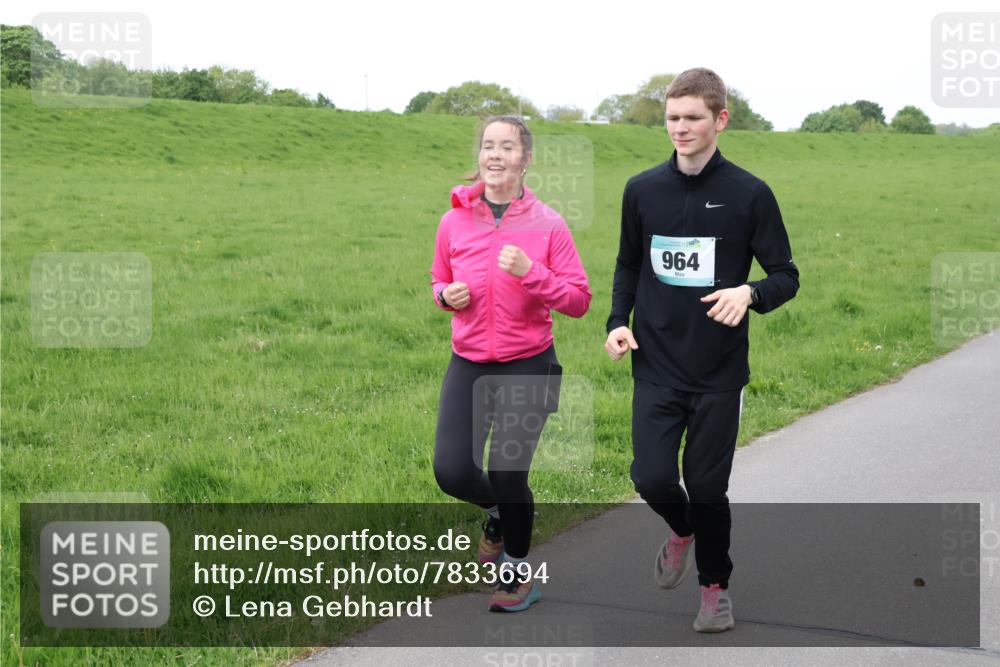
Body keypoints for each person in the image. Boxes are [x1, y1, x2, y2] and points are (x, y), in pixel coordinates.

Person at [604, 68, 799, 633]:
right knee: (651, 478)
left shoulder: (749, 194)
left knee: (709, 487)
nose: (680, 128)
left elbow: (786, 276)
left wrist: (749, 292)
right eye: (672, 117)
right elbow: (628, 264)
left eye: (693, 117)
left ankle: (714, 589)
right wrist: (617, 322)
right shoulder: (642, 190)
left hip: (717, 371)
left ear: (721, 119)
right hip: (656, 364)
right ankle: (681, 528)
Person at [431, 115, 591, 612]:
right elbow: (438, 279)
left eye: (507, 146)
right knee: (452, 472)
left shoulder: (549, 224)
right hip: (469, 363)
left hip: (529, 363)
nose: (495, 154)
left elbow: (578, 300)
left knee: (506, 470)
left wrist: (532, 273)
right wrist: (445, 296)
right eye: (488, 145)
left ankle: (518, 574)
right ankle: (500, 514)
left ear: (526, 159)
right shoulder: (453, 221)